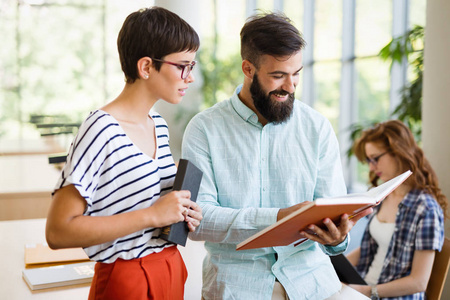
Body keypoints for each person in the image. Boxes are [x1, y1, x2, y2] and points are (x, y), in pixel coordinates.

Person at [182, 12, 371, 300]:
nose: (291, 86)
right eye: (278, 75)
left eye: (296, 74)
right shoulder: (204, 129)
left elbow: (332, 211)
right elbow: (198, 221)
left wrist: (337, 237)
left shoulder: (316, 127)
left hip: (314, 284)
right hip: (237, 288)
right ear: (248, 68)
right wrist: (279, 218)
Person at [45, 7, 202, 300]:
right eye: (183, 66)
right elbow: (57, 231)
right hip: (126, 279)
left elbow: (151, 206)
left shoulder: (158, 124)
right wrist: (152, 215)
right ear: (146, 67)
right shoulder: (100, 129)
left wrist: (181, 214)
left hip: (169, 269)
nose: (189, 77)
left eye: (192, 66)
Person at [346, 119, 447, 299]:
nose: (371, 167)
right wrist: (333, 267)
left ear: (399, 152)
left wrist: (367, 292)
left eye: (375, 159)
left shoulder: (425, 208)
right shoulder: (381, 197)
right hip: (364, 287)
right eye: (368, 160)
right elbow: (370, 248)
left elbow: (419, 282)